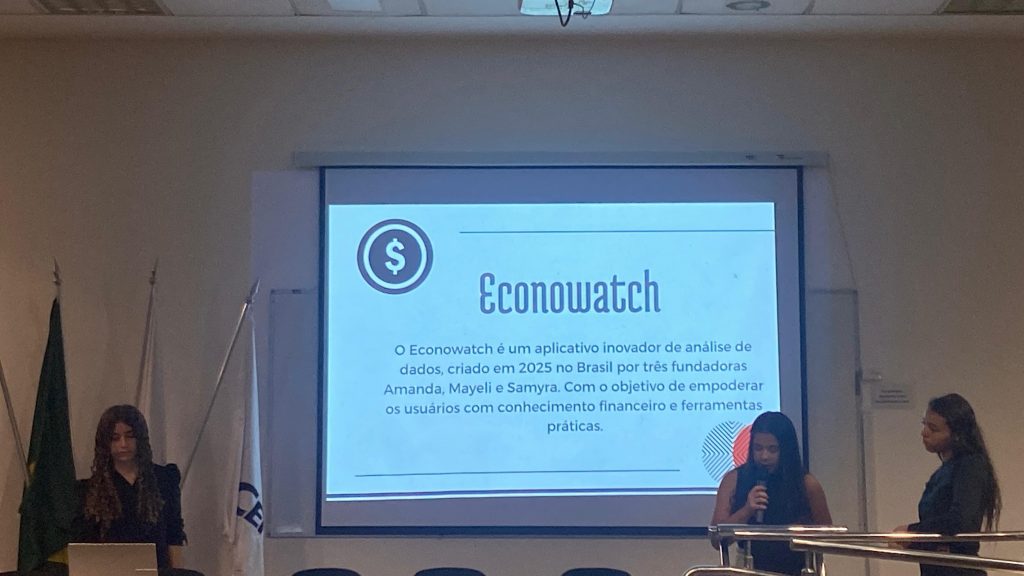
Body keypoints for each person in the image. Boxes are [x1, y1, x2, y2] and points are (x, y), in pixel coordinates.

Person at [74, 404, 201, 576]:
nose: (123, 444)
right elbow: (86, 549)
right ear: (105, 443)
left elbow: (174, 534)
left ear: (140, 438)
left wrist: (177, 572)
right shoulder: (90, 490)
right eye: (115, 438)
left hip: (157, 572)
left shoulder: (164, 479)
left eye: (130, 436)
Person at [711, 411, 833, 576]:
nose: (764, 456)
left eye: (772, 449)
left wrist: (804, 532)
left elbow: (828, 535)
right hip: (749, 566)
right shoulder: (734, 479)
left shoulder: (806, 484)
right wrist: (746, 510)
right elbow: (716, 539)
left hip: (797, 567)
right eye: (758, 448)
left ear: (786, 449)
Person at [894, 393, 1001, 576]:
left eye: (934, 429)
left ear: (956, 434)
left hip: (956, 569)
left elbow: (961, 520)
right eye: (924, 424)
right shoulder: (946, 470)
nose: (924, 432)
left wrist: (912, 532)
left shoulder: (971, 466)